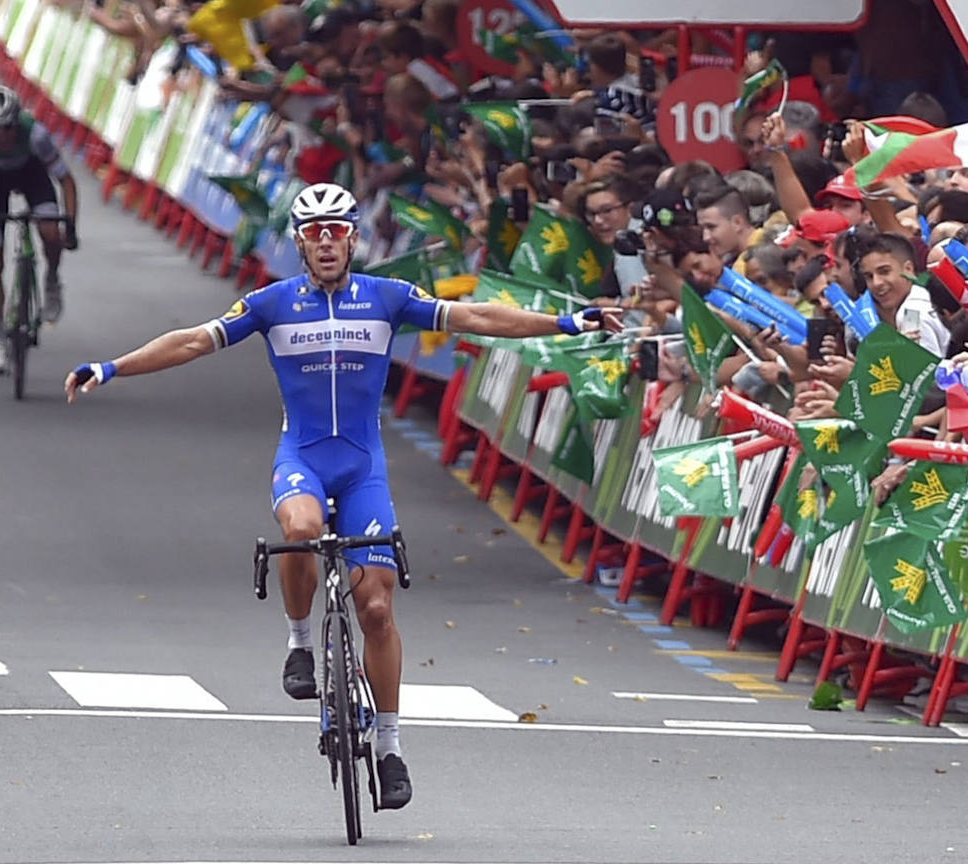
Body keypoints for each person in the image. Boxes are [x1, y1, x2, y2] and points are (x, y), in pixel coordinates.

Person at [63, 182, 620, 809]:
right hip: (302, 459)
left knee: (376, 610)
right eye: (314, 232)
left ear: (354, 239)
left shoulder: (387, 297)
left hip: (362, 470)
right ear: (300, 242)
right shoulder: (272, 303)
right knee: (300, 529)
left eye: (337, 231)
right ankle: (301, 643)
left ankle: (390, 747)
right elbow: (193, 340)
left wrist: (565, 323)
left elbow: (476, 317)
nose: (326, 242)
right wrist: (110, 367)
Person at [0, 85, 79, 375]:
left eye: (8, 127)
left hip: (29, 173)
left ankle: (52, 278)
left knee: (50, 231)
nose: (2, 136)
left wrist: (71, 224)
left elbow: (66, 181)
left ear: (17, 123)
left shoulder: (36, 135)